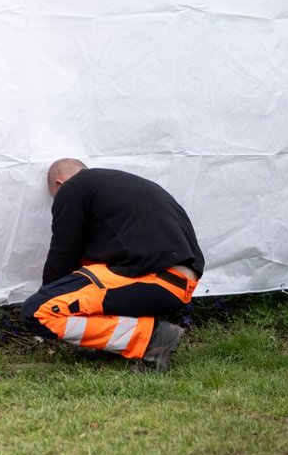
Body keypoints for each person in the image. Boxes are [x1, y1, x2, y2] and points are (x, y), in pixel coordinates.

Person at [21, 159, 204, 372]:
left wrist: (50, 293)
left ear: (59, 183)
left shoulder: (73, 188)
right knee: (87, 276)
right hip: (178, 284)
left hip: (151, 278)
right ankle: (105, 344)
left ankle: (152, 336)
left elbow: (63, 253)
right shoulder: (125, 188)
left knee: (36, 312)